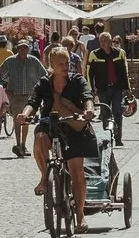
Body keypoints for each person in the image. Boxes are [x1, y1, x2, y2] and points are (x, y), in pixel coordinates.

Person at [29, 46, 100, 220]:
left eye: (67, 62)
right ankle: (45, 177)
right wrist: (25, 113)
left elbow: (87, 97)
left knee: (77, 172)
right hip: (51, 124)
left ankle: (80, 214)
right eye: (60, 63)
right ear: (51, 64)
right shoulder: (45, 82)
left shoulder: (77, 80)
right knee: (39, 139)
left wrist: (89, 110)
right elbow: (34, 101)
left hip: (72, 125)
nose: (65, 66)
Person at [0, 38, 46, 157]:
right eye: (21, 48)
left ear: (28, 49)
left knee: (25, 121)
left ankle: (23, 145)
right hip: (15, 95)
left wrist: (40, 90)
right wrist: (5, 89)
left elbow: (44, 74)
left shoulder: (34, 61)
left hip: (29, 96)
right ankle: (18, 144)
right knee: (16, 120)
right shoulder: (10, 61)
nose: (23, 50)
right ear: (17, 49)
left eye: (25, 48)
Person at [87, 30, 131, 147]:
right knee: (105, 113)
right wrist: (91, 88)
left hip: (117, 88)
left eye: (106, 40)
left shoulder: (119, 53)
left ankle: (118, 138)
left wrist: (127, 87)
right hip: (102, 88)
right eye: (101, 41)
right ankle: (107, 138)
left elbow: (123, 72)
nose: (103, 43)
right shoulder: (95, 54)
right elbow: (89, 73)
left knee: (117, 111)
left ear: (111, 41)